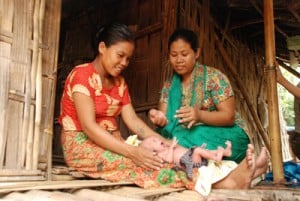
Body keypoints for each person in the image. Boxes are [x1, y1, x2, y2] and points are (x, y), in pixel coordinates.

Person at [149, 28, 269, 188]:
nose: (178, 60)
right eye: (173, 55)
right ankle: (244, 173)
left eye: (184, 54)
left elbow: (228, 117)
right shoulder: (169, 86)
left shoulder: (214, 78)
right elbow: (165, 122)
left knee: (183, 138)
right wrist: (159, 118)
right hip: (182, 135)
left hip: (224, 134)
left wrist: (199, 115)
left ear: (196, 53)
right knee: (158, 140)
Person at [59, 23, 166, 176]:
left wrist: (164, 142)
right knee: (148, 167)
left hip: (114, 144)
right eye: (120, 55)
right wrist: (132, 152)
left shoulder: (120, 83)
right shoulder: (82, 75)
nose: (124, 63)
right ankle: (203, 181)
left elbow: (133, 121)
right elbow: (88, 127)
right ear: (102, 48)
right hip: (81, 145)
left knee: (161, 157)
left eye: (128, 59)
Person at [140, 135, 232, 180]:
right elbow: (169, 160)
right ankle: (216, 158)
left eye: (157, 138)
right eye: (154, 141)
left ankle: (225, 152)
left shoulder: (166, 148)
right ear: (153, 151)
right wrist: (172, 148)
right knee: (197, 150)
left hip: (191, 157)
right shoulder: (161, 155)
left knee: (203, 150)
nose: (159, 140)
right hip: (191, 166)